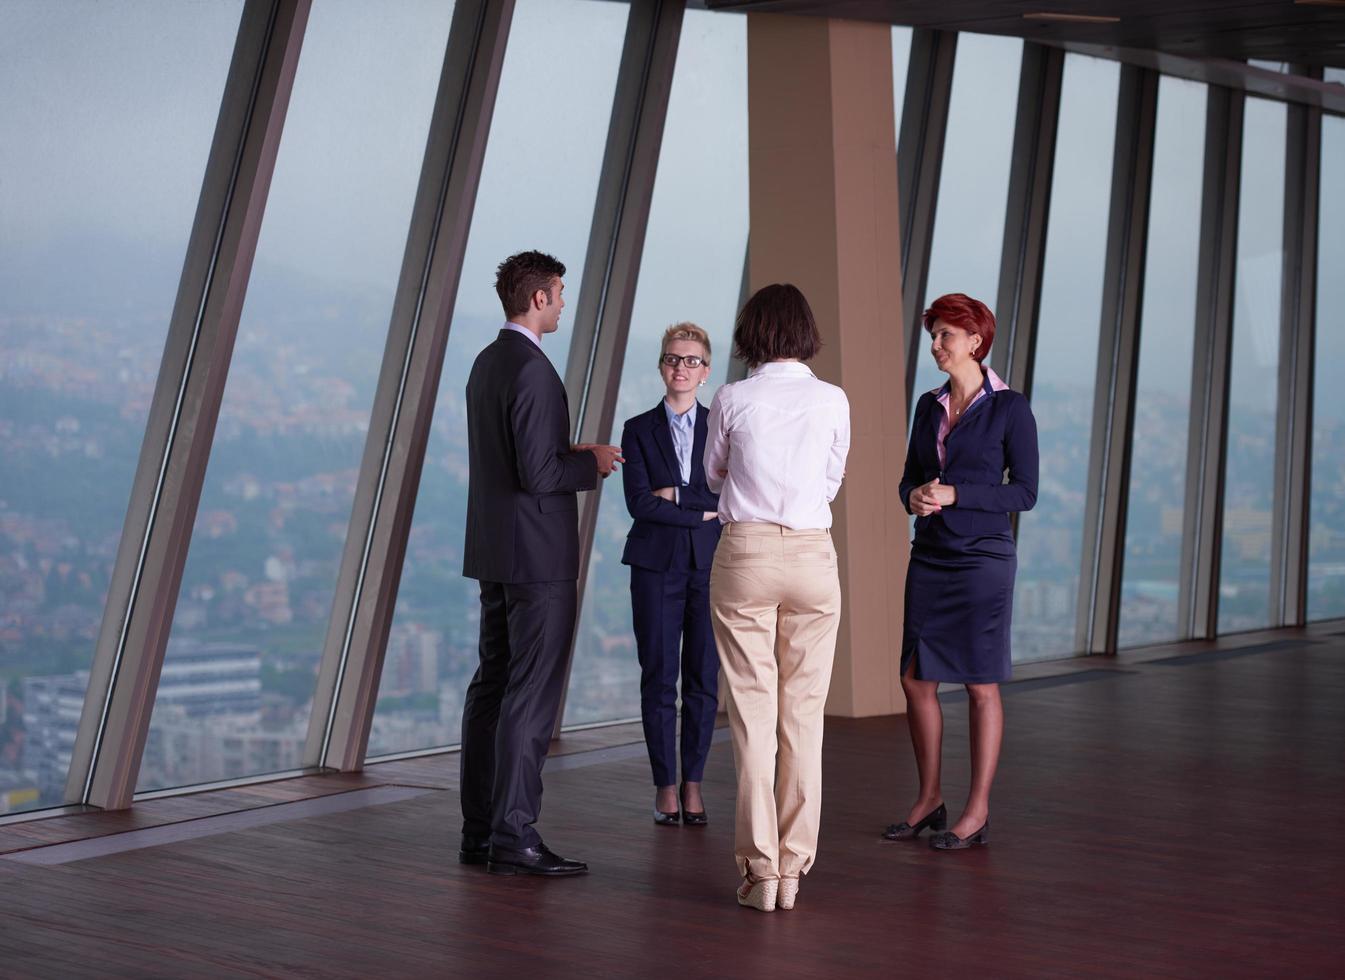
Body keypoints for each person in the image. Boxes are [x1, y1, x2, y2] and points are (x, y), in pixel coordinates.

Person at [459, 250, 623, 877]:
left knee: (492, 687)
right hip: (538, 558)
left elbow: (513, 458)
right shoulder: (532, 370)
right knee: (530, 697)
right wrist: (593, 465)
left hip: (496, 551)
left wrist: (569, 450)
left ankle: (480, 832)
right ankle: (515, 836)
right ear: (539, 299)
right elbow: (540, 473)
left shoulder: (486, 364)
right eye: (559, 292)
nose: (563, 302)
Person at [704, 284, 850, 913]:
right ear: (806, 332)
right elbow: (832, 477)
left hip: (747, 554)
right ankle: (794, 872)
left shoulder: (733, 397)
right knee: (804, 719)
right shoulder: (832, 399)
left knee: (753, 718)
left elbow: (713, 473)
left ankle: (760, 871)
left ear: (751, 333)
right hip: (814, 555)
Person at [885, 292, 1038, 852]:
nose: (936, 345)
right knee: (914, 678)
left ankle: (976, 811)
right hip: (929, 554)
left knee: (979, 684)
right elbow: (907, 479)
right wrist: (917, 497)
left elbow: (1025, 492)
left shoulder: (1009, 407)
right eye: (934, 334)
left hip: (983, 561)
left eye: (946, 335)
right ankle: (929, 799)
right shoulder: (928, 406)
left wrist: (956, 493)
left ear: (976, 342)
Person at [620, 323, 722, 827]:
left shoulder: (721, 427)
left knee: (704, 679)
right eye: (672, 358)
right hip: (654, 566)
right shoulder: (637, 429)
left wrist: (677, 495)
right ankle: (664, 785)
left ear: (706, 371)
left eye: (691, 360)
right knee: (659, 677)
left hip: (710, 566)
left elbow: (728, 501)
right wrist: (698, 508)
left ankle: (694, 784)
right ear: (662, 365)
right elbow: (639, 504)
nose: (681, 367)